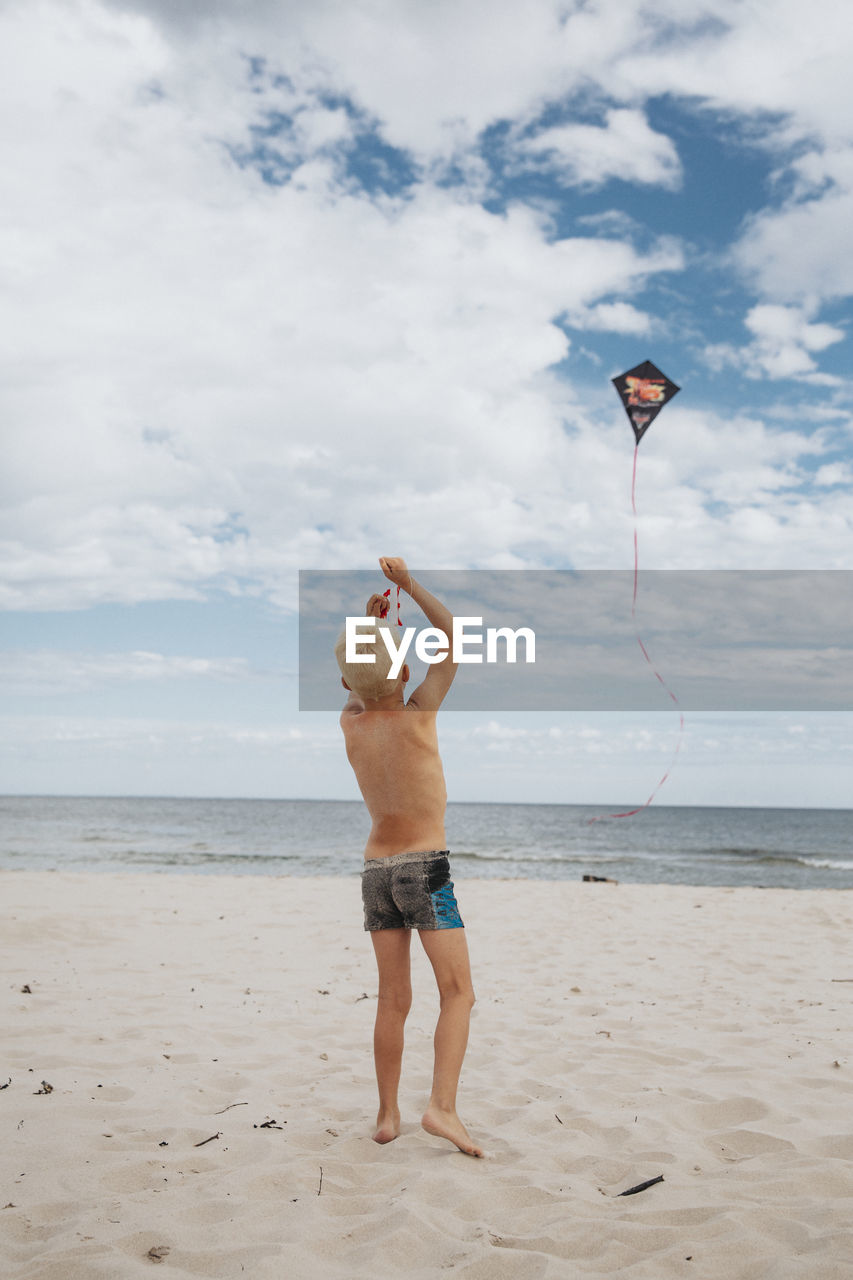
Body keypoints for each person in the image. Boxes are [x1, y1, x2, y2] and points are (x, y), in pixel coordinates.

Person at [335, 556, 482, 1157]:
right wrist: (408, 589)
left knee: (393, 998)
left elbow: (360, 682)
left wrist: (367, 633)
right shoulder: (420, 715)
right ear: (402, 667)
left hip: (376, 873)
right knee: (458, 993)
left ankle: (386, 1113)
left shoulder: (350, 723)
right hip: (425, 868)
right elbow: (453, 637)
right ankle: (441, 1108)